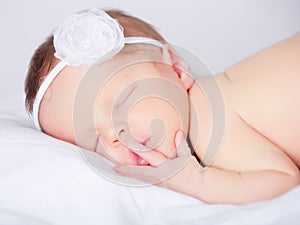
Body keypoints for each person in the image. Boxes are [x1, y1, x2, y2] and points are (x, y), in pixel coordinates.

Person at [24, 8, 300, 205]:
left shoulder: (206, 113)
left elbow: (282, 183)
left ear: (177, 69)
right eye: (94, 142)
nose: (114, 136)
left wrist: (197, 182)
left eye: (123, 100)